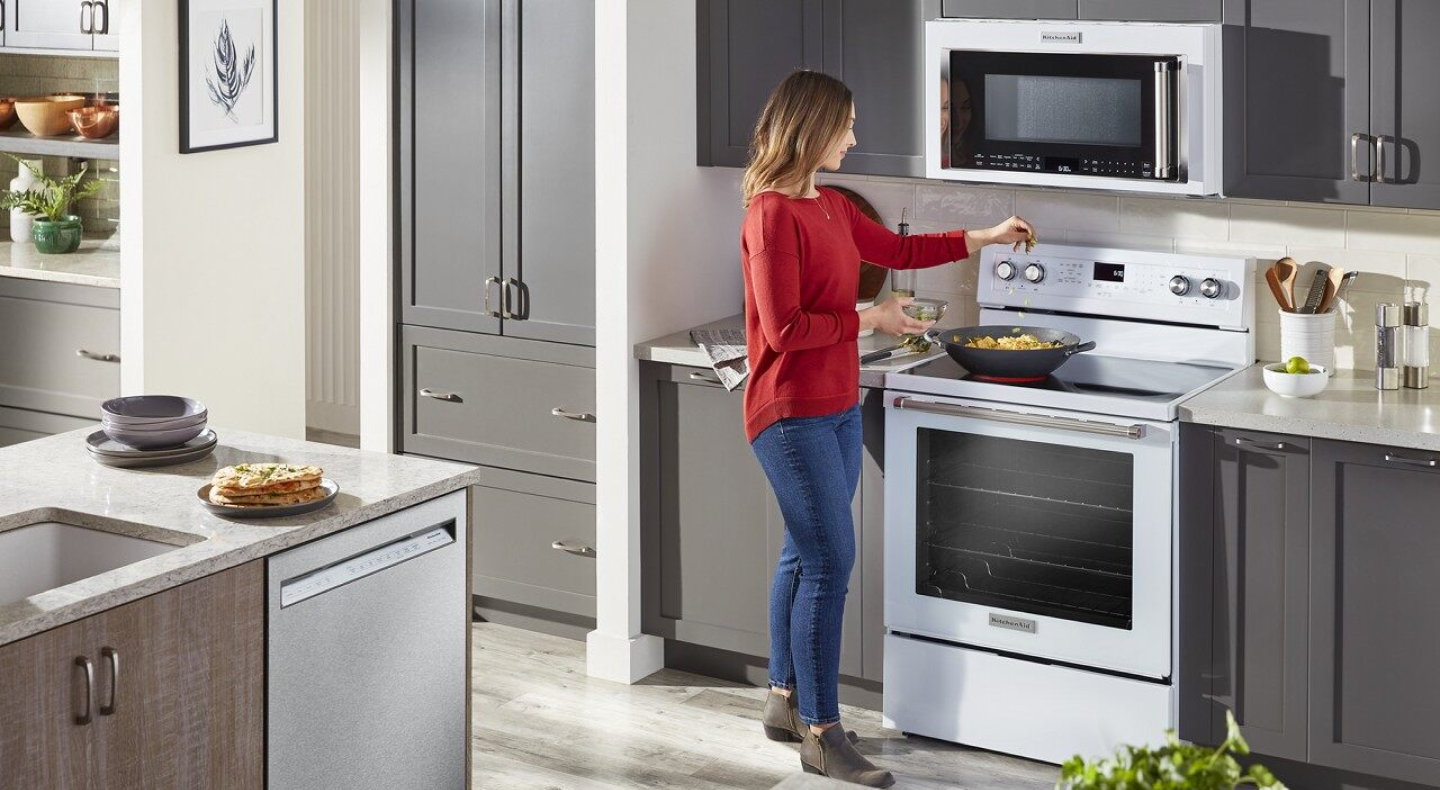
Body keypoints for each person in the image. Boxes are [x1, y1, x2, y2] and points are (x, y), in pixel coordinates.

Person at [739, 70, 1035, 787]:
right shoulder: (772, 214)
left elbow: (900, 251)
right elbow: (782, 330)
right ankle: (823, 732)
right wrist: (873, 320)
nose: (854, 136)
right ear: (812, 130)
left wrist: (985, 236)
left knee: (804, 555)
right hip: (789, 412)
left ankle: (784, 700)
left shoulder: (832, 208)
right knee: (830, 565)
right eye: (845, 125)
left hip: (837, 404)